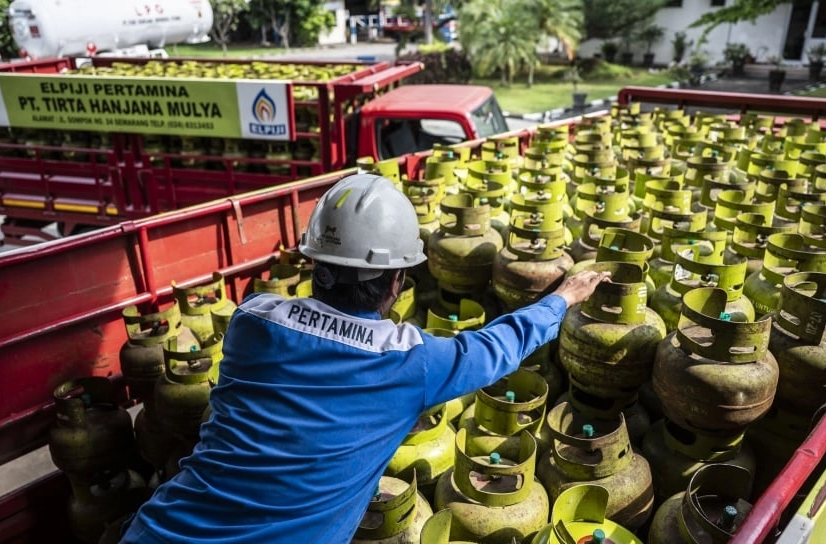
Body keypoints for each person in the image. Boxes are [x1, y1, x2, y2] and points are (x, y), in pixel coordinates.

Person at [120, 173, 608, 543]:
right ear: (397, 282)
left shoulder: (252, 321)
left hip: (158, 530)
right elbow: (496, 349)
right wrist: (562, 298)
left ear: (315, 265)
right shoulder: (413, 363)